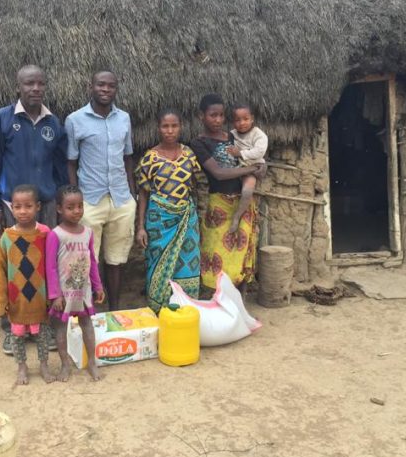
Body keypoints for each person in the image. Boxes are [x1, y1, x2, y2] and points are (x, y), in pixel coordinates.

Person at [0, 65, 67, 354]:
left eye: (40, 83)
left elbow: (60, 168)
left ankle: (43, 325)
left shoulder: (53, 123)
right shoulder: (2, 119)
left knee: (46, 267)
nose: (35, 88)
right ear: (18, 87)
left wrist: (61, 204)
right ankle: (11, 328)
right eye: (29, 83)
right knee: (12, 269)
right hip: (12, 209)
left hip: (46, 207)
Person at [65, 71, 136, 310]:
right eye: (101, 85)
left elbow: (128, 157)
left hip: (121, 199)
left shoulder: (124, 118)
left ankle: (114, 309)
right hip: (90, 200)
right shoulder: (75, 120)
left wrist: (132, 195)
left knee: (116, 259)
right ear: (91, 86)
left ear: (116, 89)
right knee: (86, 260)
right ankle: (88, 312)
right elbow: (71, 162)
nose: (105, 89)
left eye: (111, 86)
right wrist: (75, 199)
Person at [189, 94, 261, 291]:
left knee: (242, 252)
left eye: (221, 115)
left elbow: (248, 158)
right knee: (215, 253)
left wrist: (258, 167)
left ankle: (240, 301)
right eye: (213, 115)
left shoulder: (231, 137)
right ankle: (217, 298)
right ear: (201, 116)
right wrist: (251, 169)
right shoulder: (198, 143)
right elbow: (218, 173)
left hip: (241, 203)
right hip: (218, 204)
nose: (218, 120)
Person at [135, 109, 203, 313]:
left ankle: (185, 311)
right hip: (159, 221)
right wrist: (140, 227)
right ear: (158, 128)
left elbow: (196, 186)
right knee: (157, 265)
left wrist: (198, 215)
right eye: (165, 126)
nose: (170, 130)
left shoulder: (189, 154)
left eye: (174, 126)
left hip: (187, 219)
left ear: (180, 127)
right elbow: (143, 194)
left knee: (188, 264)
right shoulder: (150, 158)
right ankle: (159, 312)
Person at [0, 185, 54, 385]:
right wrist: (0, 301)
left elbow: (52, 266)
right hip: (16, 299)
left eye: (28, 206)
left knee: (43, 335)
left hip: (40, 299)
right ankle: (22, 367)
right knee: (17, 336)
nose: (23, 211)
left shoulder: (45, 234)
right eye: (17, 207)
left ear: (38, 207)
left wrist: (54, 295)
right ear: (11, 209)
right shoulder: (7, 237)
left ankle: (44, 365)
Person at [45, 185, 105, 382]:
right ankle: (65, 365)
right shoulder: (56, 234)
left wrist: (97, 286)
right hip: (63, 293)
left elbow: (92, 261)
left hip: (83, 289)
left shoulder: (88, 232)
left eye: (80, 206)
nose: (77, 211)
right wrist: (55, 295)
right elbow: (50, 266)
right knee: (61, 327)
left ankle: (92, 362)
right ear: (59, 209)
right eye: (70, 207)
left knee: (87, 324)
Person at [227, 104, 268, 233]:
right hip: (236, 167)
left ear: (252, 119)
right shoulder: (231, 134)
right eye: (237, 120)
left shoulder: (259, 135)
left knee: (247, 190)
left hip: (253, 168)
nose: (242, 123)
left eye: (245, 119)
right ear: (233, 122)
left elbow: (259, 152)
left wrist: (240, 153)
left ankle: (237, 216)